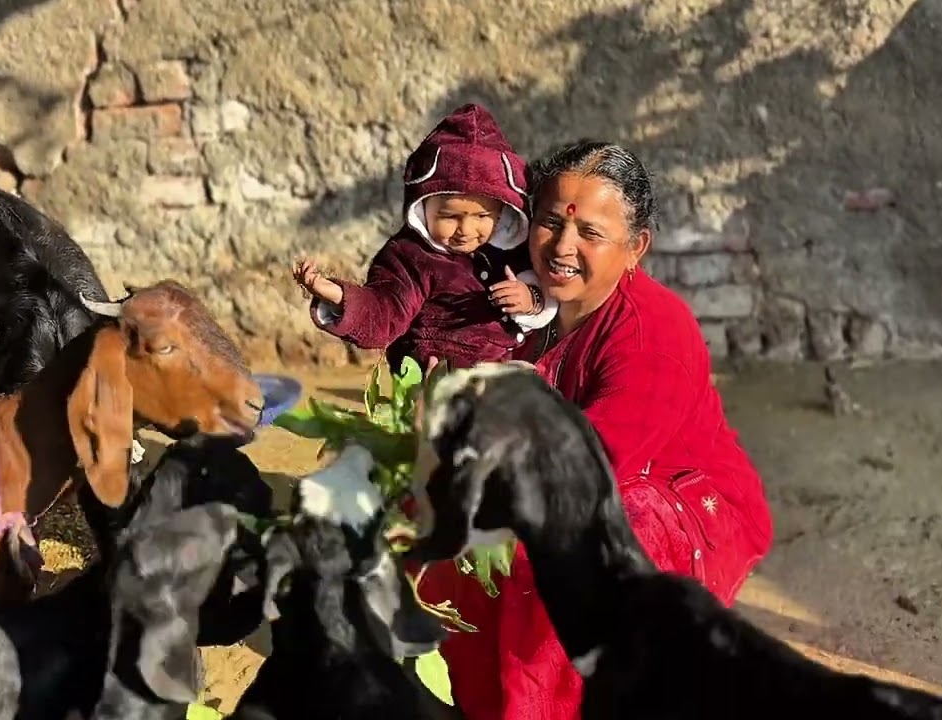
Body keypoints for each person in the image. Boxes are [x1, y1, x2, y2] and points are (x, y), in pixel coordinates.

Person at [416, 139, 775, 720]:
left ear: (636, 248)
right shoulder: (524, 306)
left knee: (561, 554)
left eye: (590, 234)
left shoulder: (652, 334)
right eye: (550, 223)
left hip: (682, 505)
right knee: (430, 529)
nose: (561, 247)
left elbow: (594, 466)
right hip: (559, 473)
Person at [292, 103, 557, 375]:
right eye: (450, 216)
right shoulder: (410, 257)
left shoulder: (514, 246)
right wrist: (337, 296)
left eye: (481, 216)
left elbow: (547, 292)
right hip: (434, 375)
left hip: (501, 375)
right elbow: (385, 311)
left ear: (503, 210)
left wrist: (531, 299)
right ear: (423, 206)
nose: (466, 229)